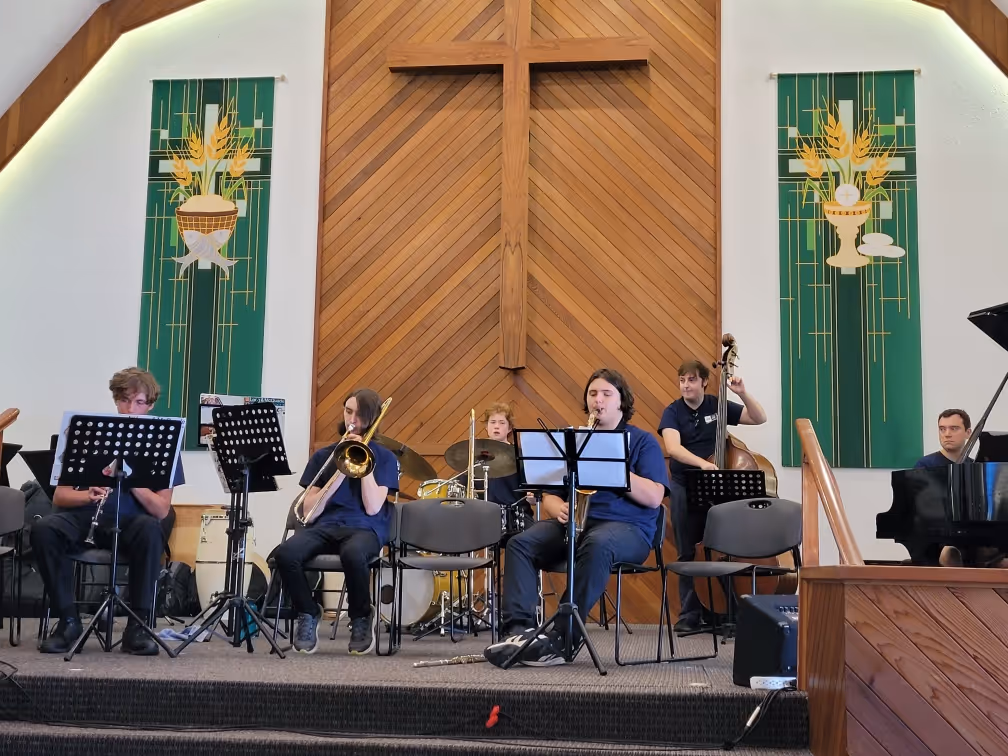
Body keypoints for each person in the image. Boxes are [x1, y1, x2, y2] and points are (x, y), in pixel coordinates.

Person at [485, 368, 669, 667]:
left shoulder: (642, 442)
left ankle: (562, 638)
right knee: (520, 543)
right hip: (577, 523)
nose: (598, 400)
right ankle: (520, 632)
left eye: (607, 394)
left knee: (597, 544)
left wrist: (613, 466)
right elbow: (548, 493)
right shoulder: (573, 442)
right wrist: (556, 505)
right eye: (593, 394)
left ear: (622, 401)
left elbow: (654, 497)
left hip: (629, 530)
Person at [32, 367, 184, 655]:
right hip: (86, 517)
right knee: (44, 529)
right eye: (124, 400)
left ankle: (137, 627)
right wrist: (86, 495)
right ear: (116, 400)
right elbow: (61, 496)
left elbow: (162, 509)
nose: (130, 409)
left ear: (150, 405)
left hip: (133, 523)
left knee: (151, 530)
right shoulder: (89, 435)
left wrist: (132, 481)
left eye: (139, 402)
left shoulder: (163, 444)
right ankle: (68, 621)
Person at [272, 388, 398, 655]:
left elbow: (373, 507)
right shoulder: (324, 456)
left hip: (365, 527)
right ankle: (308, 611)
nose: (352, 419)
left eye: (359, 415)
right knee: (285, 554)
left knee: (353, 554)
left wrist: (362, 461)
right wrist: (339, 470)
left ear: (372, 419)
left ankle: (361, 616)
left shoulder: (385, 458)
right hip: (325, 526)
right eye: (348, 411)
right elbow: (309, 511)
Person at [658, 359, 767, 634]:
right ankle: (689, 614)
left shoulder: (716, 406)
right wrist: (702, 464)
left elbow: (759, 418)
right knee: (686, 550)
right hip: (685, 485)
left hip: (717, 486)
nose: (686, 385)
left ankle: (728, 610)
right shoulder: (672, 412)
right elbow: (673, 448)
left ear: (705, 382)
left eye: (691, 380)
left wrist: (742, 393)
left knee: (723, 548)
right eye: (682, 380)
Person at [472, 401, 535, 533]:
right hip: (483, 516)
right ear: (486, 426)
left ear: (509, 428)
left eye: (502, 423)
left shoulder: (520, 455)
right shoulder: (475, 456)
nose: (496, 426)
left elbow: (532, 492)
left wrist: (532, 497)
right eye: (492, 422)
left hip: (517, 515)